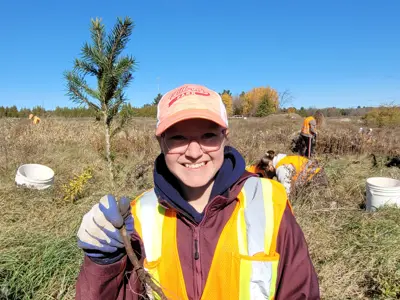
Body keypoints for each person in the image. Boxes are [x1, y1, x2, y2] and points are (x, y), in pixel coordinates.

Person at [75, 84, 320, 300]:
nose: (194, 152)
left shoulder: (269, 203)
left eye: (209, 136)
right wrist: (103, 265)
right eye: (179, 138)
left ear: (225, 137)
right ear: (161, 142)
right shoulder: (139, 218)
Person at [247, 151, 328, 197]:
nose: (268, 173)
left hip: (315, 181)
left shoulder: (281, 168)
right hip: (320, 175)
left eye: (266, 170)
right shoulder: (284, 159)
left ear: (270, 165)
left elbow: (287, 193)